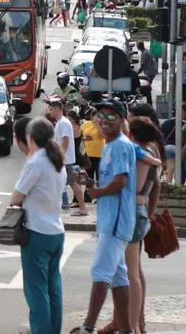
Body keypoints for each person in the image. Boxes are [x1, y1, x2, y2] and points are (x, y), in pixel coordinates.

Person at [69, 100, 137, 334]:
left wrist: (97, 191)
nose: (105, 120)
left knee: (100, 273)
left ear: (122, 120)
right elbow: (112, 181)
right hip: (111, 220)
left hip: (116, 221)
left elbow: (121, 182)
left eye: (112, 116)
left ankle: (88, 327)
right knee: (119, 278)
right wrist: (91, 183)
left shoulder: (120, 145)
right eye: (102, 115)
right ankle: (126, 330)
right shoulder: (108, 145)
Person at [98, 119, 164, 334]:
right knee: (128, 272)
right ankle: (131, 324)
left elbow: (135, 190)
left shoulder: (140, 155)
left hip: (135, 214)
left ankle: (134, 326)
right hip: (136, 213)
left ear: (132, 135)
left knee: (130, 274)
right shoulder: (144, 152)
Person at [12, 117, 66, 334]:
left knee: (36, 290)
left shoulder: (36, 162)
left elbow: (15, 198)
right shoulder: (57, 161)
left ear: (30, 138)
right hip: (56, 231)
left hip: (37, 232)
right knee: (54, 288)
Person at [45, 96, 88, 216]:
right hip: (64, 159)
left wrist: (60, 157)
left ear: (57, 109)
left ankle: (83, 208)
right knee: (61, 183)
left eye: (51, 109)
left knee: (73, 183)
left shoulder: (63, 123)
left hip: (66, 160)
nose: (50, 112)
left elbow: (65, 142)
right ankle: (58, 206)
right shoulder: (60, 122)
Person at [81, 108, 105, 183]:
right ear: (92, 116)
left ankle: (99, 193)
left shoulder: (103, 125)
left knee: (100, 177)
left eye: (100, 116)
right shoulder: (86, 124)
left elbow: (102, 136)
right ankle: (88, 194)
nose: (99, 118)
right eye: (97, 116)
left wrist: (97, 124)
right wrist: (85, 138)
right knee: (89, 177)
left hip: (99, 155)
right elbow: (78, 136)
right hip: (88, 154)